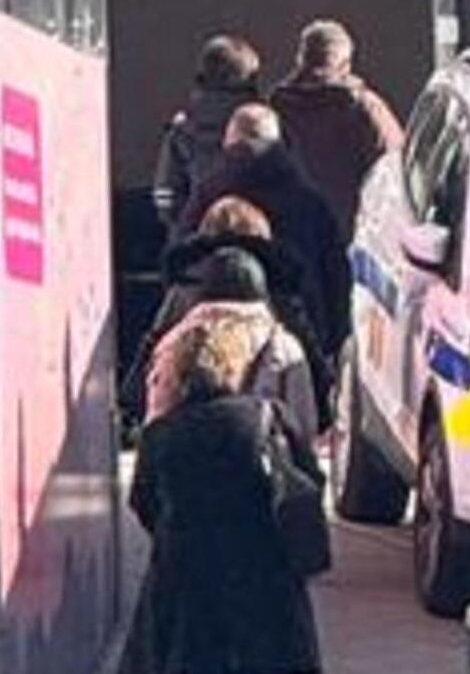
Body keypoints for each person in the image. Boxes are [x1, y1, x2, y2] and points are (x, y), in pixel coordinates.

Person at [114, 312, 324, 674]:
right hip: (259, 566)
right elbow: (308, 481)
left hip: (187, 570)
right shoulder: (265, 418)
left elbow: (141, 501)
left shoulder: (162, 434)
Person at [176, 105, 353, 376]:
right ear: (279, 142)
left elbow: (180, 262)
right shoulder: (308, 199)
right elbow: (336, 275)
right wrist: (335, 340)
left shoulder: (207, 194)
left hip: (213, 345)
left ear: (229, 141)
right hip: (297, 339)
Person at [133, 197, 327, 426]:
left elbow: (152, 352)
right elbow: (308, 358)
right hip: (261, 430)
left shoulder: (186, 286)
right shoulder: (278, 288)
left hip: (193, 427)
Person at [137, 249, 319, 445]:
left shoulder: (175, 343)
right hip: (258, 469)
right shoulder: (282, 345)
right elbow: (303, 427)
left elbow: (156, 423)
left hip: (187, 469)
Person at [268, 19, 405, 239]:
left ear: (300, 61)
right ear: (345, 65)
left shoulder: (277, 108)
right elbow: (393, 166)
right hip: (352, 232)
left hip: (293, 232)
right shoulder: (365, 108)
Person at [155, 36, 263, 237]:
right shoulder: (264, 126)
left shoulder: (183, 131)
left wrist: (179, 225)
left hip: (196, 238)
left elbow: (165, 192)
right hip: (257, 237)